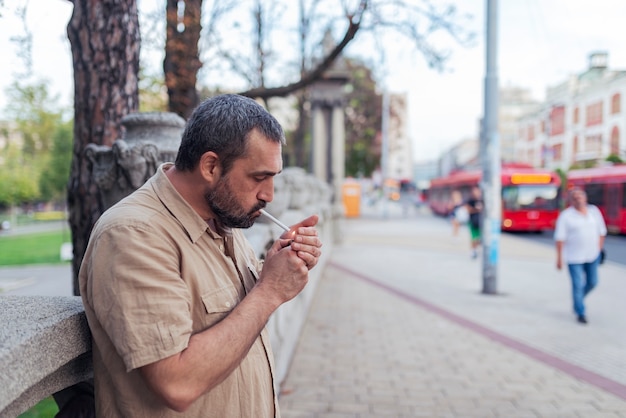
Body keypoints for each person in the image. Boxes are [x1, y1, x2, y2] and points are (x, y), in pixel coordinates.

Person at [78, 94, 323, 417]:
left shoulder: (221, 216)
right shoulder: (133, 233)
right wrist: (270, 292)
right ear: (210, 166)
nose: (269, 195)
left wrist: (277, 267)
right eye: (259, 178)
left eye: (274, 178)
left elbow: (233, 312)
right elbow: (176, 383)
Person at [554, 187, 606, 325]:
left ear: (585, 198)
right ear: (571, 200)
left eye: (580, 196)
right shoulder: (566, 215)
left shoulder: (594, 212)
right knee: (577, 285)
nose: (578, 199)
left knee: (593, 282)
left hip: (592, 255)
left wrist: (599, 249)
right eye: (575, 197)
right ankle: (580, 312)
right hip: (574, 257)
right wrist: (559, 258)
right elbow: (560, 238)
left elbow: (602, 232)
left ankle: (578, 300)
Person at [465, 186, 483, 258]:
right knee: (474, 237)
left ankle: (475, 249)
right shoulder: (470, 200)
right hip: (472, 221)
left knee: (480, 238)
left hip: (481, 222)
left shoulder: (482, 200)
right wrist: (477, 210)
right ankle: (473, 250)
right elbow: (468, 210)